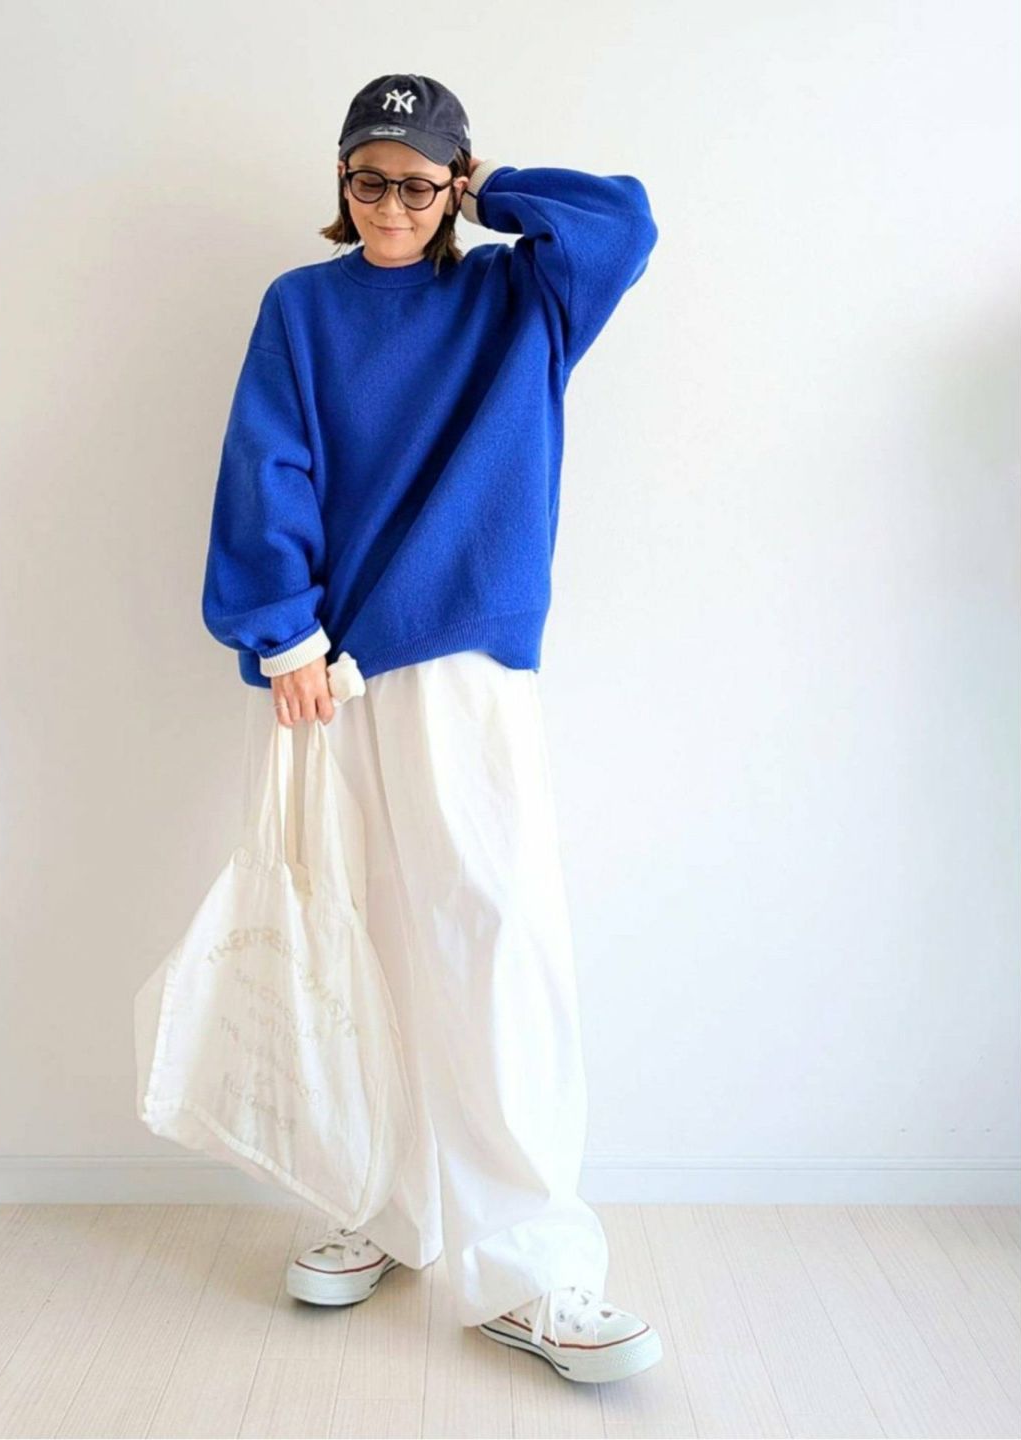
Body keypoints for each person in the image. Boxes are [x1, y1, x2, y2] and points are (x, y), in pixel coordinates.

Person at [202, 72, 662, 1386]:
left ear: (454, 183)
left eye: (417, 181)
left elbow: (622, 223)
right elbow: (267, 462)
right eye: (368, 178)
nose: (390, 203)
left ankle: (532, 1269)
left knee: (494, 935)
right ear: (340, 183)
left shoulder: (521, 296)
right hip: (332, 668)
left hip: (463, 655)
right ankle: (388, 1205)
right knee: (364, 939)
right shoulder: (302, 306)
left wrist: (490, 188)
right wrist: (281, 632)